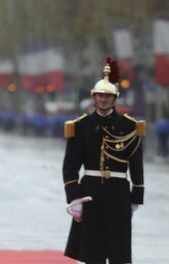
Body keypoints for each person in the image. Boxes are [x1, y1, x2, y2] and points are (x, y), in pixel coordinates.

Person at [62, 58, 145, 264]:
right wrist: (74, 198)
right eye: (100, 95)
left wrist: (136, 195)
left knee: (118, 252)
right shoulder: (81, 126)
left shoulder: (129, 127)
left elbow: (136, 164)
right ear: (93, 97)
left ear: (115, 97)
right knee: (92, 251)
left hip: (118, 193)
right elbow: (70, 165)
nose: (103, 99)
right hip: (90, 193)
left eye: (108, 95)